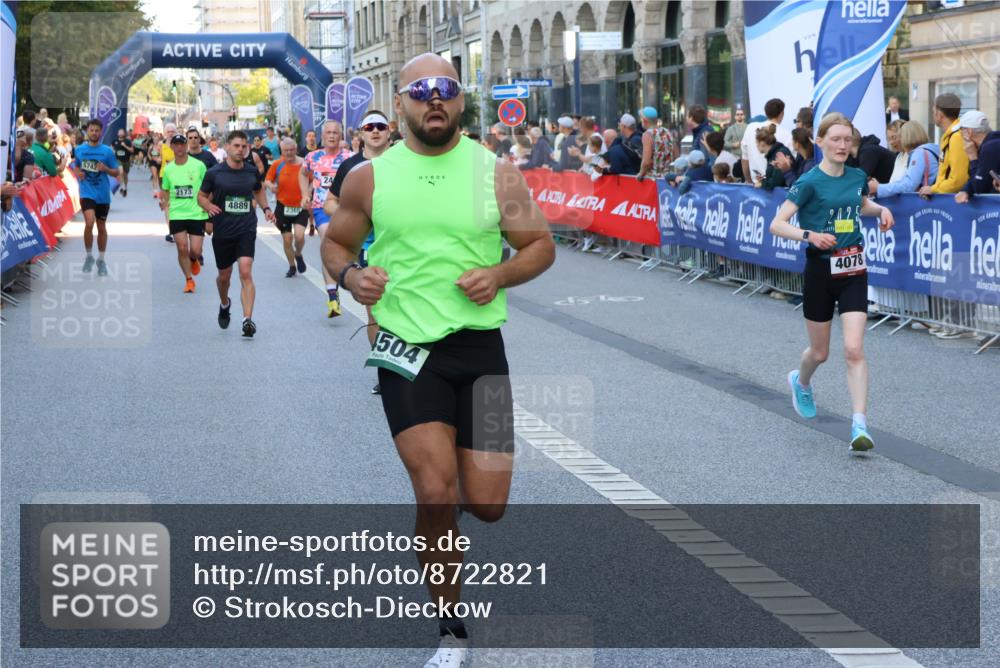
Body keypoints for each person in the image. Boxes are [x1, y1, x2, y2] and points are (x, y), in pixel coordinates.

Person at [321, 54, 555, 667]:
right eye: (420, 90)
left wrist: (501, 272)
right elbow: (335, 241)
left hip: (482, 350)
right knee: (433, 489)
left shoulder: (497, 172)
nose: (433, 100)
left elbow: (541, 247)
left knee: (489, 504)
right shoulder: (369, 178)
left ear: (459, 101)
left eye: (445, 89)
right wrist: (350, 275)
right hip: (404, 348)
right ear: (399, 102)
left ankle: (446, 505)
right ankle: (451, 630)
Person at [769, 112, 895, 453]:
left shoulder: (856, 176)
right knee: (820, 352)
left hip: (853, 267)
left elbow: (860, 203)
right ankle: (802, 381)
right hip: (820, 271)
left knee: (854, 349)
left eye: (847, 139)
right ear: (820, 142)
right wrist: (810, 235)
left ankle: (859, 425)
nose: (842, 145)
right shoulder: (809, 180)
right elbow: (777, 224)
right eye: (836, 139)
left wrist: (880, 210)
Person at [323, 110, 392, 394]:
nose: (375, 131)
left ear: (390, 131)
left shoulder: (406, 163)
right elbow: (329, 202)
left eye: (381, 126)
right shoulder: (351, 167)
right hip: (367, 247)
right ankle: (387, 373)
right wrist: (352, 218)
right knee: (376, 313)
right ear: (361, 133)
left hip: (401, 246)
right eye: (369, 127)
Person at [198, 131, 276, 337]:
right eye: (236, 146)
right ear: (228, 147)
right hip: (223, 230)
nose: (240, 149)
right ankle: (225, 303)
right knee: (224, 277)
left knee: (245, 271)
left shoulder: (251, 172)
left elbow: (258, 190)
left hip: (246, 228)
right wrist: (208, 206)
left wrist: (266, 208)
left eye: (244, 146)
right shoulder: (214, 173)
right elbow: (201, 196)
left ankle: (247, 320)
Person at [300, 120, 354, 317]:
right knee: (327, 240)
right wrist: (304, 193)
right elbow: (302, 173)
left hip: (345, 209)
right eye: (328, 132)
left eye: (335, 133)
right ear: (323, 136)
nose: (332, 136)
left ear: (341, 136)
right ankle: (332, 296)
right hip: (321, 208)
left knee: (344, 248)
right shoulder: (313, 157)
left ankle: (345, 275)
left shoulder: (349, 158)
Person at [71, 119, 121, 276]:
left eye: (97, 130)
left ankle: (101, 259)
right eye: (91, 130)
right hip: (87, 192)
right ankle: (88, 256)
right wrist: (77, 172)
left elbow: (116, 172)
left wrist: (105, 168)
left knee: (101, 227)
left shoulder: (107, 151)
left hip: (102, 194)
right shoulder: (79, 149)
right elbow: (75, 165)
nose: (94, 133)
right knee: (89, 222)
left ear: (101, 132)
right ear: (87, 132)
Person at [160, 133, 208, 293]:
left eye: (182, 144)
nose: (179, 147)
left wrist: (207, 205)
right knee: (182, 247)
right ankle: (188, 280)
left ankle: (193, 259)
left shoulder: (198, 165)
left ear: (186, 146)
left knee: (195, 250)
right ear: (172, 147)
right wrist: (165, 203)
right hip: (177, 213)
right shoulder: (168, 169)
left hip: (196, 212)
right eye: (176, 144)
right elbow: (165, 189)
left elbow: (208, 186)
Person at [265, 138, 309, 277]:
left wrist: (307, 194)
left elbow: (314, 181)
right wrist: (271, 186)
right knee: (287, 239)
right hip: (283, 206)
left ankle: (298, 253)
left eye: (291, 150)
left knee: (300, 236)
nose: (289, 153)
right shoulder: (277, 164)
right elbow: (267, 180)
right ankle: (292, 266)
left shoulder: (305, 164)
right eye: (285, 151)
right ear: (281, 150)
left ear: (296, 149)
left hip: (301, 206)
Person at [868, 121, 939, 199]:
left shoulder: (919, 153)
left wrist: (879, 188)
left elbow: (909, 185)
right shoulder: (929, 150)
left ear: (908, 136)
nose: (899, 140)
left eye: (900, 136)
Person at [919, 93, 969, 196]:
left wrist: (933, 189)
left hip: (955, 202)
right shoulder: (951, 135)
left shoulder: (956, 137)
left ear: (940, 115)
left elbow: (958, 180)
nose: (933, 115)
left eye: (933, 112)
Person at [741, 98, 794, 187]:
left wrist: (750, 182)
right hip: (773, 188)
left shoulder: (750, 128)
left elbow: (744, 160)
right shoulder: (787, 135)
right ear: (782, 114)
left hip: (765, 186)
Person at [954, 110, 1000, 203]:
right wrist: (966, 190)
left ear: (969, 132)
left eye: (961, 130)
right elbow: (981, 176)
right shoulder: (993, 142)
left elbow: (979, 187)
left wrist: (972, 157)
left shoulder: (990, 147)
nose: (960, 135)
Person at [636, 106, 672, 181]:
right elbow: (675, 153)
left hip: (654, 179)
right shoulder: (667, 132)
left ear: (645, 120)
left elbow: (646, 162)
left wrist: (640, 174)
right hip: (668, 177)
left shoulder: (648, 134)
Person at [755, 125, 793, 190]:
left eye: (756, 142)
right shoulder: (773, 154)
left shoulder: (779, 154)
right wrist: (764, 179)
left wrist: (762, 183)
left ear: (762, 143)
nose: (756, 145)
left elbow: (777, 182)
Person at [111, 128, 135, 196]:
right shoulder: (115, 141)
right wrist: (112, 152)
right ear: (117, 133)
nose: (120, 133)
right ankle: (121, 187)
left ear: (124, 133)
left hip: (126, 160)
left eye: (122, 132)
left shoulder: (127, 141)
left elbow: (132, 150)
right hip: (118, 160)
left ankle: (125, 188)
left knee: (125, 175)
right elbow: (111, 149)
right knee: (121, 172)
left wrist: (125, 146)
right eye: (119, 132)